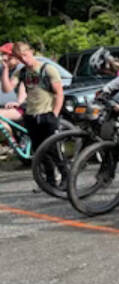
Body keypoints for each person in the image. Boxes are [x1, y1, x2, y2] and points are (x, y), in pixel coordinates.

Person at [1, 42, 65, 183]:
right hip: (31, 115)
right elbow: (7, 88)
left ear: (31, 51)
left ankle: (66, 177)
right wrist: (5, 69)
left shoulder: (47, 69)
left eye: (25, 55)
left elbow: (59, 93)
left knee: (53, 150)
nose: (24, 59)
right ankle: (50, 180)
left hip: (47, 113)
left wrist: (54, 114)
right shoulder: (22, 72)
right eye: (20, 57)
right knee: (40, 151)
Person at [0, 43, 25, 124]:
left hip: (22, 108)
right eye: (3, 54)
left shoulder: (21, 69)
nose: (4, 58)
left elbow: (9, 90)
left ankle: (10, 137)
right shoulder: (4, 68)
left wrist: (5, 68)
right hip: (8, 107)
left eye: (7, 55)